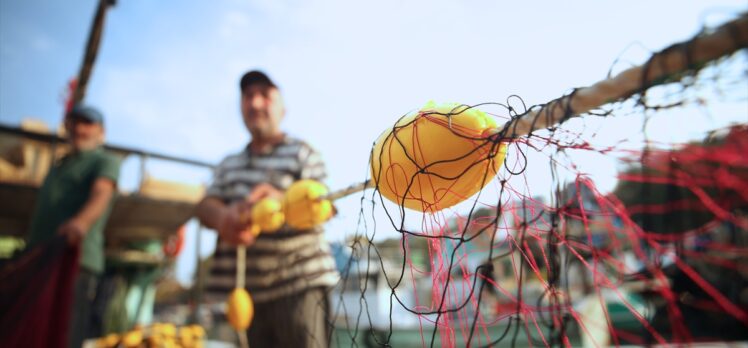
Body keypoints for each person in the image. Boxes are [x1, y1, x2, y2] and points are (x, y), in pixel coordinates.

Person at [196, 70, 339, 347]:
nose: (256, 103)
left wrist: (285, 201)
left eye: (265, 95)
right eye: (248, 96)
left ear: (283, 108)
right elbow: (204, 207)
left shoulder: (303, 152)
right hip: (247, 298)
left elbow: (328, 205)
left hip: (301, 287)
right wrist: (223, 217)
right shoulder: (229, 164)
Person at [27, 105, 121, 347]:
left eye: (87, 124)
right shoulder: (60, 164)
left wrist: (80, 223)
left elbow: (102, 193)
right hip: (41, 258)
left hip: (75, 260)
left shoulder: (104, 160)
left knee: (66, 333)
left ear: (101, 131)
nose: (79, 129)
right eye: (75, 123)